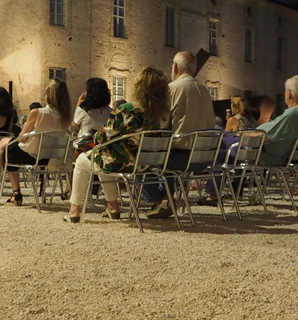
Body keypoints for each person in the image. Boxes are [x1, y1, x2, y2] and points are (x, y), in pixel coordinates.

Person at [65, 67, 170, 223]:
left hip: (124, 163)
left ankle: (74, 210)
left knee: (82, 160)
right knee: (102, 158)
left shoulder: (128, 109)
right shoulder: (164, 115)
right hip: (145, 165)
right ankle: (112, 206)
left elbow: (102, 137)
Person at [0, 79, 71, 205]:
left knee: (7, 150)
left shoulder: (37, 112)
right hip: (50, 157)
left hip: (32, 156)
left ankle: (11, 191)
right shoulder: (66, 117)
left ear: (48, 94)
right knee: (5, 144)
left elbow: (22, 138)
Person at [154, 51, 216, 217]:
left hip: (179, 159)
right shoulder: (205, 91)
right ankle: (165, 200)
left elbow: (161, 122)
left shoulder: (172, 89)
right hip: (203, 159)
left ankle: (162, 200)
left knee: (146, 160)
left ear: (175, 67)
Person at [256, 75, 298, 166]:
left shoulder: (292, 115)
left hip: (265, 156)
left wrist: (242, 134)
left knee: (229, 147)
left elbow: (264, 136)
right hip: (286, 155)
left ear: (289, 93)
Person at [73, 77, 113, 144]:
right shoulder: (111, 112)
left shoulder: (83, 110)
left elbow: (74, 128)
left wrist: (78, 106)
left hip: (86, 146)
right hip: (103, 145)